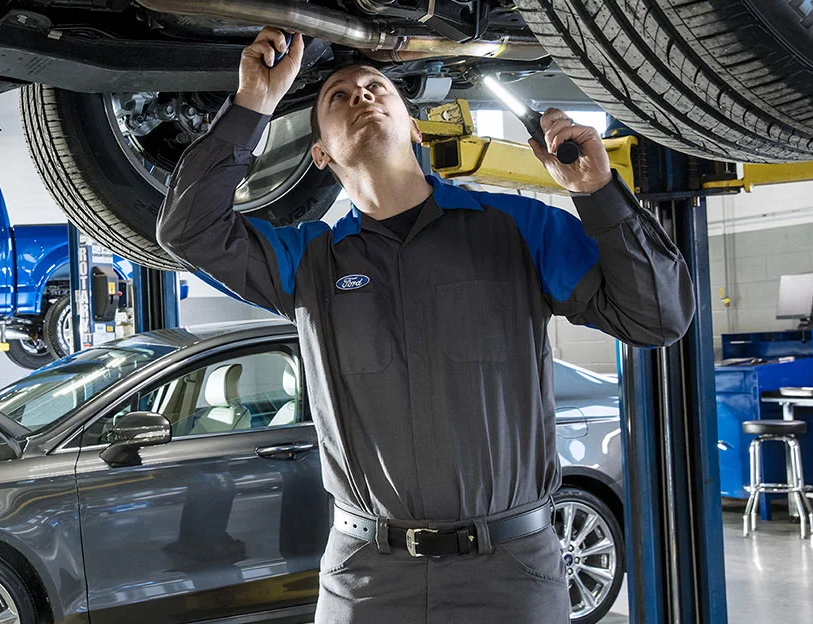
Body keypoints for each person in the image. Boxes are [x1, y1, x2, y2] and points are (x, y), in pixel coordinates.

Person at [157, 27, 694, 622]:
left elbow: (658, 317)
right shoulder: (307, 264)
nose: (361, 95)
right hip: (366, 578)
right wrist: (253, 102)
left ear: (415, 126)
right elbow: (189, 231)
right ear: (321, 155)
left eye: (376, 87)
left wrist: (598, 193)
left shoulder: (517, 230)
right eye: (337, 96)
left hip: (511, 572)